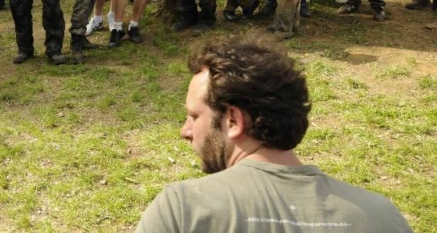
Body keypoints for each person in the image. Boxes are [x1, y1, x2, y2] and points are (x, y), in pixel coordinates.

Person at [136, 35, 413, 232]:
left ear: (233, 120)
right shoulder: (382, 216)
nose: (185, 131)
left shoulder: (184, 210)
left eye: (195, 116)